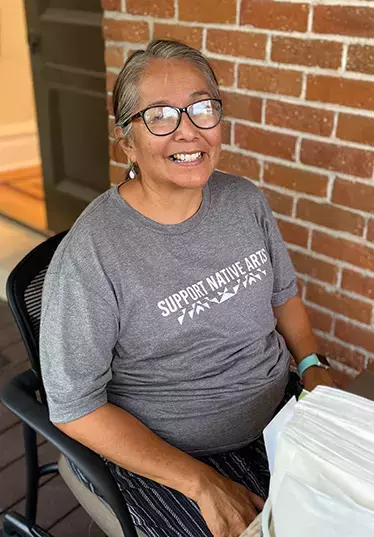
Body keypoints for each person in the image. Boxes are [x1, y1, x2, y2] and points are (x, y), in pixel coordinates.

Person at [39, 39, 334, 537]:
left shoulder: (244, 202)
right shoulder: (93, 253)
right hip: (168, 459)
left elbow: (284, 296)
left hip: (278, 421)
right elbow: (75, 406)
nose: (189, 131)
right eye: (159, 116)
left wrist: (312, 367)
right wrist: (200, 483)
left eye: (202, 108)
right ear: (126, 141)